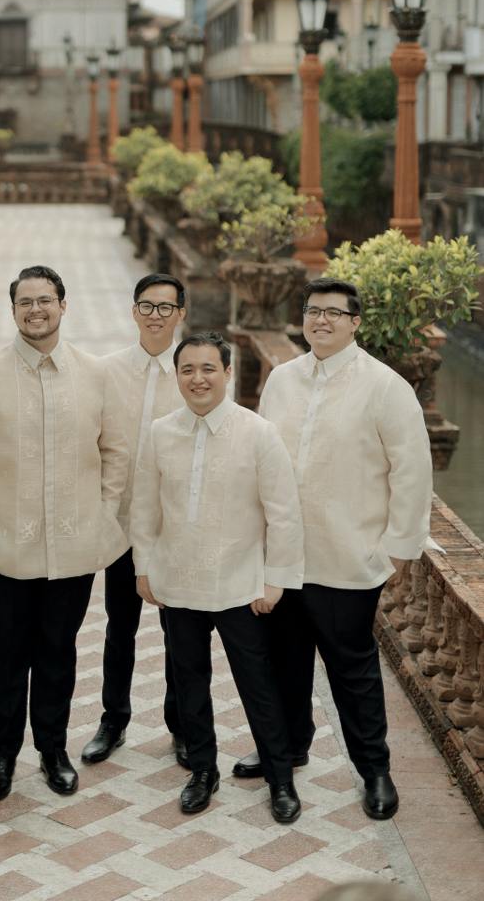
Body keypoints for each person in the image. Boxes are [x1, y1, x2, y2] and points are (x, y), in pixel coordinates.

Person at [232, 278, 433, 822]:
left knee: (353, 671)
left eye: (333, 313)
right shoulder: (282, 380)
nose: (320, 321)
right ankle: (289, 748)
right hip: (283, 557)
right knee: (284, 662)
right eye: (312, 311)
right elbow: (260, 456)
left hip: (347, 556)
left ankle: (375, 770)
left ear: (355, 321)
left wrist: (394, 550)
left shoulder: (385, 387)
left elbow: (412, 471)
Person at [0, 264, 129, 803]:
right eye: (25, 302)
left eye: (45, 300)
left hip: (71, 549)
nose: (36, 310)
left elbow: (115, 453)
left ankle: (53, 749)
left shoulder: (95, 373)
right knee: (5, 653)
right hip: (3, 548)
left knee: (59, 651)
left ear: (63, 306)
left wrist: (101, 516)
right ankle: (4, 754)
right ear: (13, 310)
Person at [132, 333, 304, 822]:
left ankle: (280, 778)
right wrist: (144, 566)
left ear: (227, 373)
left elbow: (284, 514)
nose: (198, 378)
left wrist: (275, 582)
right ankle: (202, 771)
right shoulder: (161, 432)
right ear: (178, 376)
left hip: (241, 585)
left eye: (209, 368)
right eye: (188, 369)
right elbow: (144, 508)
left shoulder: (258, 433)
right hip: (179, 581)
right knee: (189, 681)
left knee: (258, 684)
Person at [82, 273, 187, 767]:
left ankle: (181, 723)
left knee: (177, 630)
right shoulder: (105, 372)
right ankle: (113, 719)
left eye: (166, 308)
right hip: (121, 522)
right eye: (147, 306)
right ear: (133, 311)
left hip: (173, 526)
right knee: (118, 625)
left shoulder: (194, 371)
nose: (155, 316)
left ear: (181, 314)